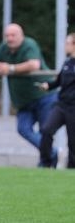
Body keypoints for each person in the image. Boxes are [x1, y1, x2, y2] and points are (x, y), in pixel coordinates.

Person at [0, 23, 58, 166]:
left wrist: (10, 68)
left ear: (21, 35)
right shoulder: (4, 48)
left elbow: (34, 64)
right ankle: (51, 153)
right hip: (24, 102)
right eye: (7, 35)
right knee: (23, 129)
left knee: (44, 131)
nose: (9, 39)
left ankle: (45, 163)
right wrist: (1, 67)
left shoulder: (29, 44)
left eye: (13, 35)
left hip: (44, 97)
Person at [38, 33, 75, 169]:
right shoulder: (67, 63)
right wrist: (48, 86)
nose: (65, 46)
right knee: (46, 130)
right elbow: (58, 81)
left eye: (67, 43)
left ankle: (71, 169)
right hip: (61, 105)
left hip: (73, 108)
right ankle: (46, 162)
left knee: (72, 141)